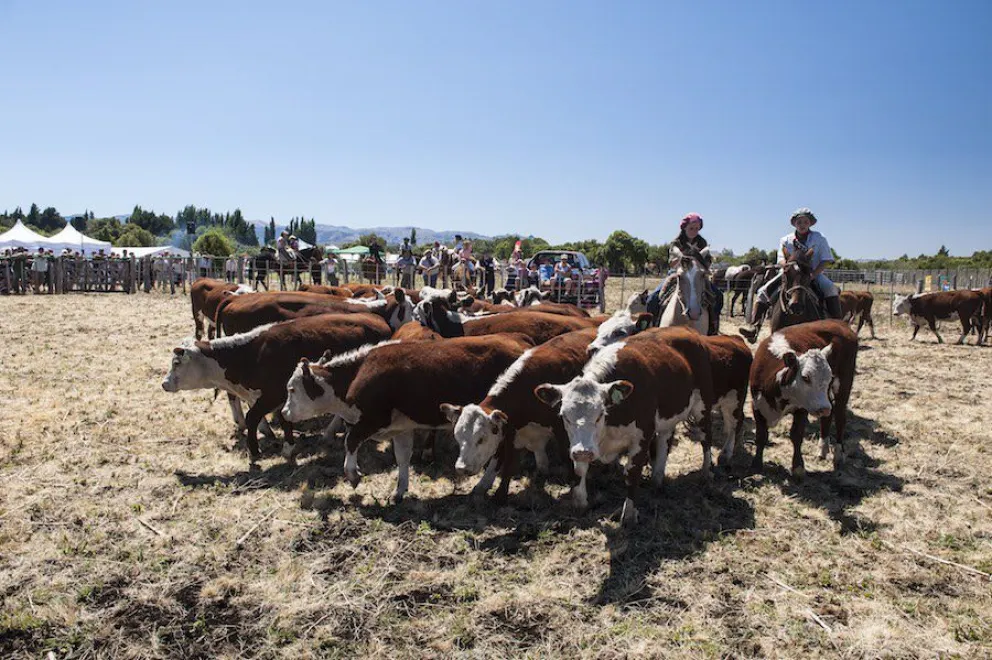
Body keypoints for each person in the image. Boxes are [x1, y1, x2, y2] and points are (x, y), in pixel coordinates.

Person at [739, 207, 841, 343]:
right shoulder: (785, 240)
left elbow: (826, 260)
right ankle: (754, 327)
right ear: (794, 224)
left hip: (812, 273)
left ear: (810, 223)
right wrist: (786, 266)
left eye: (805, 221)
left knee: (830, 289)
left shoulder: (819, 238)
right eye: (799, 222)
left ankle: (839, 329)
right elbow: (781, 258)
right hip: (789, 273)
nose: (802, 225)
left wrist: (813, 274)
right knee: (763, 291)